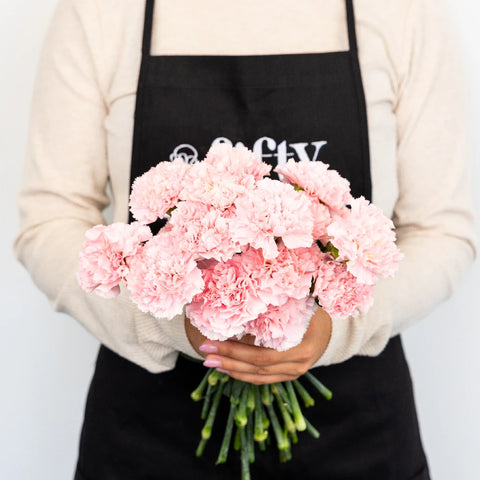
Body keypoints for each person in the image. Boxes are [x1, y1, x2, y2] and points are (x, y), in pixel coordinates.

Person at [15, 0, 476, 478]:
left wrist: (334, 330)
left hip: (359, 439)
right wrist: (179, 324)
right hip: (146, 439)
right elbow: (49, 218)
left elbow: (442, 231)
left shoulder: (402, 13)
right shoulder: (101, 12)